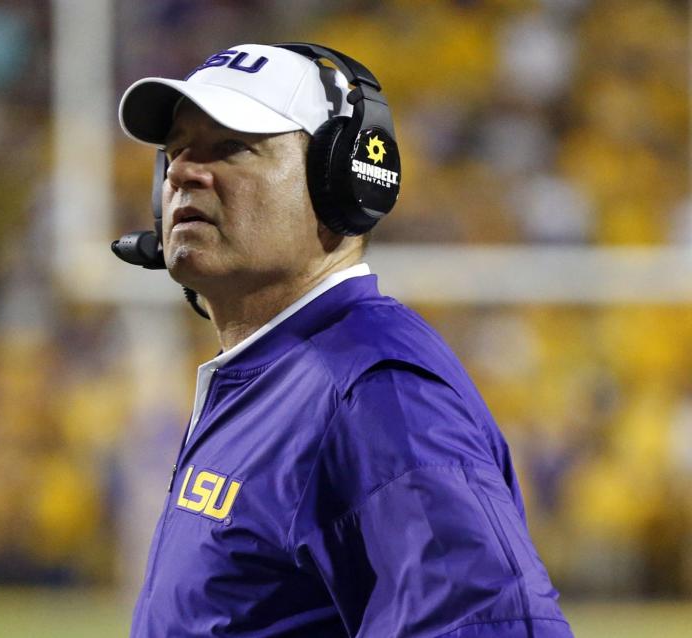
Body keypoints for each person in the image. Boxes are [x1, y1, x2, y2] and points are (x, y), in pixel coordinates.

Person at [115, 43, 573, 638]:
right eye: (176, 151)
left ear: (340, 183)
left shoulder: (376, 393)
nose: (182, 172)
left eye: (231, 147)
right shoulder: (277, 376)